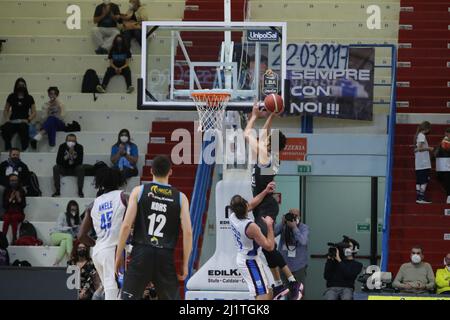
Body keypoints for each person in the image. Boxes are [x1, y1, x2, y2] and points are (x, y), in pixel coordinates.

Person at [244, 101, 302, 300]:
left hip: (266, 206)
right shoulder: (272, 155)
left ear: (269, 143)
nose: (264, 137)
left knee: (268, 246)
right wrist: (271, 115)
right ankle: (278, 285)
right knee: (268, 246)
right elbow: (265, 133)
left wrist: (253, 116)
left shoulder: (264, 154)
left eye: (267, 139)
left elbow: (247, 134)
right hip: (264, 205)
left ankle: (293, 282)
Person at [115, 155, 193, 300]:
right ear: (170, 172)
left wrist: (118, 255)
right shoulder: (181, 197)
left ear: (151, 171)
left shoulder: (139, 191)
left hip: (141, 253)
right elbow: (188, 232)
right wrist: (185, 263)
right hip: (165, 255)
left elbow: (126, 225)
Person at [78, 167, 127, 300]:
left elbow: (81, 236)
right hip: (112, 249)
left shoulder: (92, 204)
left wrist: (97, 243)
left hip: (98, 251)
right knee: (114, 290)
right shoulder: (123, 196)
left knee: (112, 289)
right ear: (119, 180)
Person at [228, 185, 279, 300]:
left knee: (269, 291)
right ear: (245, 207)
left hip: (248, 258)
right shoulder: (251, 227)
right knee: (263, 295)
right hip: (249, 262)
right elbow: (270, 246)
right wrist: (270, 226)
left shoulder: (233, 217)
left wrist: (265, 191)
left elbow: (252, 204)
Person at [275, 208, 309, 286]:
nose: (293, 218)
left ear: (299, 217)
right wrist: (282, 223)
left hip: (299, 266)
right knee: (285, 291)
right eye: (291, 215)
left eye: (295, 216)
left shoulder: (304, 227)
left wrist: (294, 228)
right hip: (284, 266)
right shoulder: (283, 226)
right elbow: (272, 234)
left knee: (298, 293)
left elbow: (303, 241)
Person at [1, 78, 37, 151]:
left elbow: (34, 112)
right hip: (13, 121)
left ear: (25, 86)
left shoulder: (29, 97)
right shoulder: (11, 96)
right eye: (19, 85)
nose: (21, 86)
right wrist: (7, 119)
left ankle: (25, 149)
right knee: (4, 128)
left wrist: (28, 119)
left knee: (24, 129)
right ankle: (8, 148)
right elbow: (6, 110)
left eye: (22, 85)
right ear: (16, 86)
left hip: (24, 121)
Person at [50, 200, 82, 266]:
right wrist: (69, 227)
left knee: (65, 242)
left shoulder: (78, 219)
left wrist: (76, 228)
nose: (74, 212)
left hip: (66, 239)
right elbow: (58, 227)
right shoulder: (63, 215)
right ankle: (70, 258)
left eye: (75, 210)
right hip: (55, 235)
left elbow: (79, 232)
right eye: (72, 209)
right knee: (68, 236)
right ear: (68, 209)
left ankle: (56, 262)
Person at [2, 174, 26, 243]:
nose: (14, 182)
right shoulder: (6, 191)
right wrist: (10, 199)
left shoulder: (21, 191)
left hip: (19, 213)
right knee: (6, 218)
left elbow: (23, 205)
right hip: (8, 212)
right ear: (9, 181)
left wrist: (19, 198)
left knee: (14, 217)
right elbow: (4, 206)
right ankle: (3, 238)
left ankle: (14, 238)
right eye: (12, 180)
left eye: (15, 180)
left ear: (18, 181)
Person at [414, 121, 433, 204]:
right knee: (424, 180)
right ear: (427, 129)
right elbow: (420, 149)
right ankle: (421, 197)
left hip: (419, 162)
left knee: (419, 180)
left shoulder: (418, 135)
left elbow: (417, 148)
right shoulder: (422, 136)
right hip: (423, 162)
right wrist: (429, 148)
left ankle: (418, 197)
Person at [436, 128, 450, 204]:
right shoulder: (444, 141)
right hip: (443, 165)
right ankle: (449, 195)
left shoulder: (445, 142)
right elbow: (444, 148)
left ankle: (449, 196)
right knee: (445, 180)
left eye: (447, 134)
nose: (446, 135)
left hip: (445, 165)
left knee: (447, 181)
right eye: (446, 134)